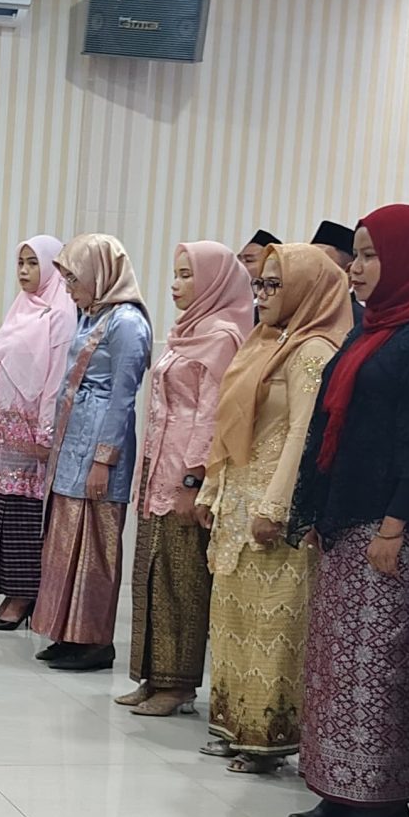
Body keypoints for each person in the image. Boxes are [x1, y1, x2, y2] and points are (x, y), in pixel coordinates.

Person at [285, 205, 409, 817]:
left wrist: (394, 524)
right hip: (352, 520)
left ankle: (381, 801)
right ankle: (340, 789)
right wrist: (320, 509)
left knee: (382, 665)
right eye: (356, 255)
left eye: (370, 255)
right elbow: (333, 426)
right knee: (339, 665)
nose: (356, 268)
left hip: (399, 529)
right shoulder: (376, 327)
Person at [196, 243, 347, 771]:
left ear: (306, 289)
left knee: (271, 625)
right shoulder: (264, 340)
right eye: (259, 284)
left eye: (274, 285)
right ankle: (232, 723)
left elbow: (303, 435)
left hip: (270, 509)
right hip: (238, 501)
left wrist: (277, 506)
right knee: (232, 619)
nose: (261, 295)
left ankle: (266, 738)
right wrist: (212, 490)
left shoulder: (313, 351)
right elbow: (230, 425)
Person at [117, 242, 249, 717]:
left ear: (214, 281)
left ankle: (178, 684)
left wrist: (194, 481)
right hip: (157, 469)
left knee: (182, 581)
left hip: (185, 475)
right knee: (151, 574)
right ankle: (152, 676)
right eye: (175, 274)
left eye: (187, 275)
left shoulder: (222, 336)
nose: (175, 284)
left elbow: (213, 415)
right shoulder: (184, 332)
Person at [34, 234, 151, 674]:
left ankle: (94, 641)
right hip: (73, 440)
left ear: (100, 274)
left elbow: (123, 398)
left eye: (73, 278)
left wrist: (105, 459)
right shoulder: (92, 316)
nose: (67, 288)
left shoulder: (128, 323)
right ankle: (66, 633)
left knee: (95, 546)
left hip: (101, 445)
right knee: (66, 539)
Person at [0, 236, 76, 631]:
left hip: (32, 434)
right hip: (4, 434)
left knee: (23, 516)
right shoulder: (22, 306)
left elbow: (56, 378)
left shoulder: (60, 312)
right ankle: (8, 593)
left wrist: (46, 432)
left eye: (33, 263)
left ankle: (23, 596)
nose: (24, 271)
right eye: (20, 262)